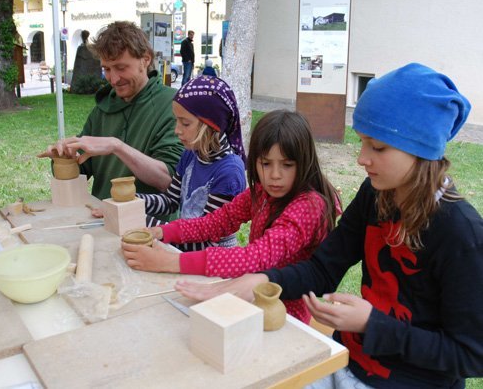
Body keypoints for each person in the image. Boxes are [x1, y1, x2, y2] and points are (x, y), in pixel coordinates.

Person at [176, 63, 483, 388]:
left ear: (420, 150)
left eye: (377, 147)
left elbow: (471, 354)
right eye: (362, 141)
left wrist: (372, 324)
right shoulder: (375, 195)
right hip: (344, 360)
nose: (362, 158)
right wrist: (261, 280)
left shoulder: (461, 234)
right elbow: (323, 268)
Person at [123, 109, 340, 324]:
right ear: (254, 162)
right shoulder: (262, 192)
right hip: (251, 301)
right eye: (266, 163)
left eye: (287, 165)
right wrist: (162, 231)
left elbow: (254, 258)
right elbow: (218, 221)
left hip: (285, 315)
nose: (275, 175)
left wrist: (172, 261)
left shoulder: (309, 206)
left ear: (305, 162)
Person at [38, 21, 184, 210]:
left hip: (151, 226)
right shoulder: (104, 107)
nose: (113, 79)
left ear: (145, 59)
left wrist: (117, 147)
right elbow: (81, 168)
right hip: (101, 217)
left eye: (121, 68)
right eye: (107, 69)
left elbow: (168, 181)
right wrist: (64, 158)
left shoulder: (171, 105)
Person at [135, 75, 247, 252]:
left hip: (214, 263)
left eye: (185, 123)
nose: (177, 130)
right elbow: (170, 200)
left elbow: (208, 243)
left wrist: (153, 228)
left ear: (211, 125)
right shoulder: (190, 154)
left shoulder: (229, 172)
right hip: (184, 251)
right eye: (176, 120)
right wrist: (131, 202)